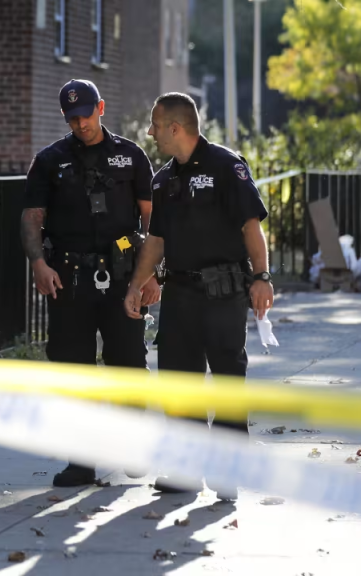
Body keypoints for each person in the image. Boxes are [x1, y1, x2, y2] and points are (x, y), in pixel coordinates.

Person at [124, 92, 274, 500]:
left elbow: (250, 227)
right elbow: (156, 240)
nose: (151, 132)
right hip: (180, 294)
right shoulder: (163, 179)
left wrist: (262, 276)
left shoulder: (227, 166)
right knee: (177, 382)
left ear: (176, 128)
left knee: (227, 380)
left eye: (156, 125)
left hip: (223, 292)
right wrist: (139, 284)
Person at [20, 79, 160, 488]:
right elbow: (31, 218)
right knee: (71, 369)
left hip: (123, 279)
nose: (79, 124)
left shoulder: (130, 157)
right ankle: (80, 462)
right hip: (69, 279)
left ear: (101, 107)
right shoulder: (50, 160)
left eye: (85, 115)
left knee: (129, 365)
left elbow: (153, 222)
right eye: (72, 118)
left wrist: (151, 276)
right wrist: (38, 263)